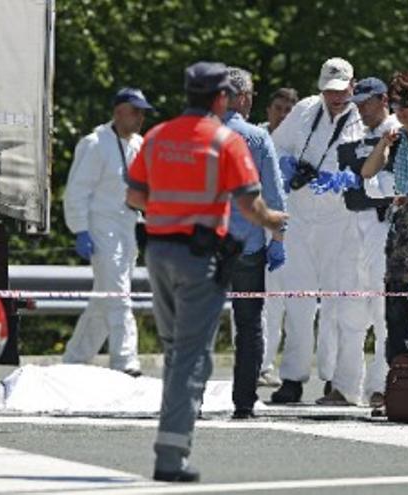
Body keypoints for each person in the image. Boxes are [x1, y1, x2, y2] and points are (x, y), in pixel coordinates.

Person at [126, 61, 287, 482]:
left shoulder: (157, 136)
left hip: (157, 252)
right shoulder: (225, 141)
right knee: (189, 356)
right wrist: (274, 223)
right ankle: (170, 456)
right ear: (222, 98)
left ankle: (177, 434)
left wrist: (168, 210)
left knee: (177, 349)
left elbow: (134, 195)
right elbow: (251, 206)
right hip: (199, 257)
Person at [269, 57, 364, 406]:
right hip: (300, 216)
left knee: (337, 304)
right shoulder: (306, 109)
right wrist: (287, 163)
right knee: (297, 300)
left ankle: (332, 377)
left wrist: (342, 179)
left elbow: (370, 166)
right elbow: (275, 145)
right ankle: (292, 377)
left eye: (341, 91)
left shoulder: (361, 117)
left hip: (341, 222)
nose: (335, 97)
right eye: (329, 91)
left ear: (353, 86)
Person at [62, 87, 153, 376]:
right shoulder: (95, 143)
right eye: (135, 111)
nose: (140, 118)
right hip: (101, 226)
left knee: (104, 298)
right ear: (118, 111)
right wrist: (80, 229)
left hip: (127, 227)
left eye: (142, 113)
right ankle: (126, 361)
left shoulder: (138, 144)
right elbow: (77, 191)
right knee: (118, 295)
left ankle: (74, 360)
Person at [221, 67, 287, 418]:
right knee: (248, 325)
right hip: (247, 245)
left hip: (202, 247)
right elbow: (274, 195)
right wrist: (278, 239)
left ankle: (190, 401)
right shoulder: (257, 139)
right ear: (244, 98)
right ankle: (243, 404)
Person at [361, 71, 408, 365]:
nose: (399, 112)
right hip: (401, 226)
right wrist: (384, 144)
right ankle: (400, 382)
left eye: (406, 105)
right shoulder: (398, 137)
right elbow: (367, 172)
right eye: (395, 105)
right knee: (396, 309)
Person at [337, 77, 400, 408]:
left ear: (384, 99)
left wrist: (371, 181)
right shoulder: (357, 132)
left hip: (384, 224)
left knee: (382, 308)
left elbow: (397, 183)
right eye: (357, 103)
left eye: (366, 102)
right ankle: (346, 385)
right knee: (350, 307)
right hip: (356, 222)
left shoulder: (399, 131)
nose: (361, 109)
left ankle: (382, 384)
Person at [258, 86, 299, 388]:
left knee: (278, 301)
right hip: (252, 222)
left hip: (287, 228)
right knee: (249, 296)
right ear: (268, 109)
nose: (282, 114)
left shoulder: (300, 145)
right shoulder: (254, 137)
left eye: (289, 110)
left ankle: (265, 363)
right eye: (278, 107)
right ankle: (250, 359)